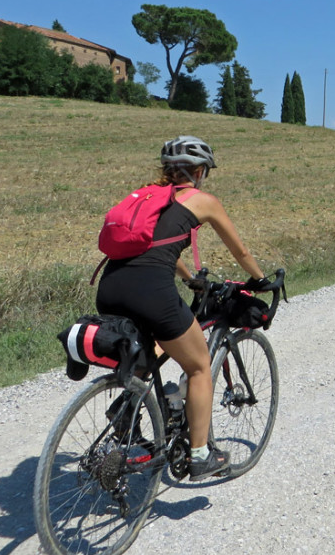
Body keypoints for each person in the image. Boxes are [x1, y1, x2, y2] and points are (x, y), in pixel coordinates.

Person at [95, 135, 265, 480]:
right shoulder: (202, 200)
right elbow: (241, 253)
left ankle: (126, 405)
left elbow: (152, 246)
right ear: (200, 171)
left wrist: (188, 278)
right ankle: (201, 456)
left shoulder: (148, 197)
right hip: (150, 291)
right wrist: (260, 280)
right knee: (200, 365)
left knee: (156, 345)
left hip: (109, 287)